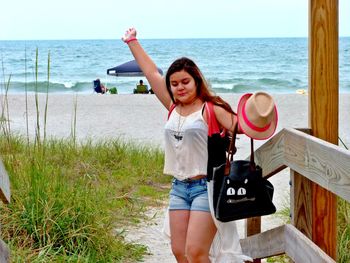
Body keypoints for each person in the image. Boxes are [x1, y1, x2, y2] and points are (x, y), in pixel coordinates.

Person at [122, 28, 245, 263]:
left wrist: (258, 113)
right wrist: (132, 42)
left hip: (205, 188)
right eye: (175, 83)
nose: (180, 87)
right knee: (180, 252)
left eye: (185, 81)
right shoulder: (171, 106)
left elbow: (244, 126)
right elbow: (150, 72)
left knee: (196, 253)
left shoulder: (211, 108)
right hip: (179, 188)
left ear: (197, 81)